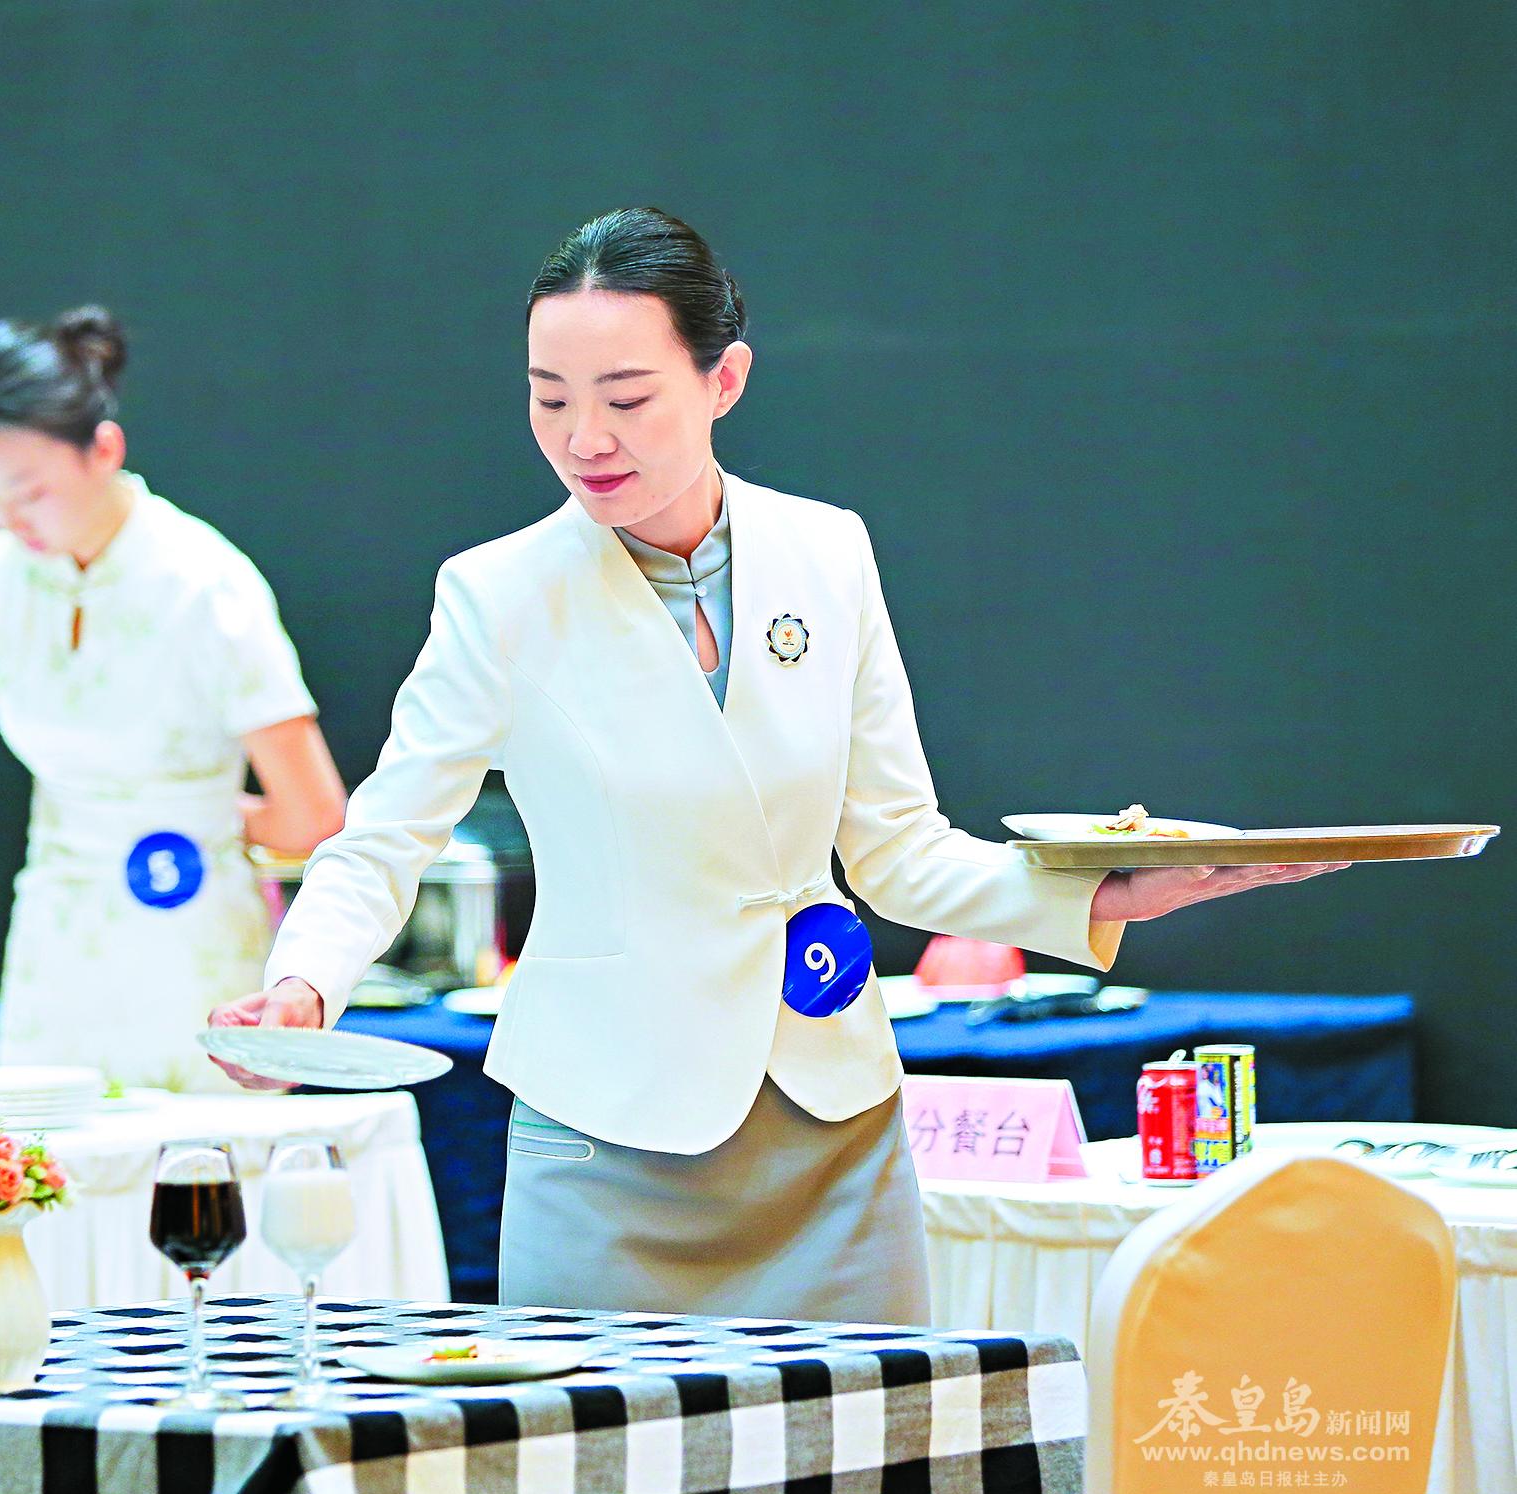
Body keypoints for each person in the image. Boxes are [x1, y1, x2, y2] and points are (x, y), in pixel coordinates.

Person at [209, 209, 1344, 1322]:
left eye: (626, 398)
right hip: (607, 1124)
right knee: (609, 1445)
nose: (583, 438)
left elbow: (900, 850)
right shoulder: (498, 594)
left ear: (725, 380)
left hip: (829, 1114)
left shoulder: (825, 550)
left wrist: (1104, 893)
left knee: (868, 1442)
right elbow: (385, 836)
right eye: (548, 398)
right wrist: (305, 982)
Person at [0, 306, 346, 1089]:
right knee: (41, 1148)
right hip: (55, 946)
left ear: (104, 449)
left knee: (202, 1150)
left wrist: (206, 819)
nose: (7, 520)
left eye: (29, 492)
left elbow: (315, 815)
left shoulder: (205, 584)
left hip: (197, 939)